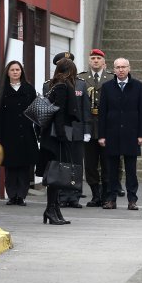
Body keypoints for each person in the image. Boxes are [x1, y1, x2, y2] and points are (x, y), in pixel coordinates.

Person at [98, 58, 142, 210]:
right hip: (112, 133)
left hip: (131, 134)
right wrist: (101, 135)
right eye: (118, 67)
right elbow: (102, 113)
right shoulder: (107, 87)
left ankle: (132, 199)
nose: (121, 70)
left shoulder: (138, 86)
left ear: (129, 68)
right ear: (113, 69)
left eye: (123, 67)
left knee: (131, 170)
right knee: (111, 170)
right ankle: (111, 199)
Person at [36, 57, 80, 225]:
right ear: (70, 71)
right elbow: (59, 112)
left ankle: (53, 209)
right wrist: (62, 136)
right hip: (56, 137)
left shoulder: (55, 84)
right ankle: (51, 209)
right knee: (56, 174)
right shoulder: (63, 86)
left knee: (55, 174)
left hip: (51, 135)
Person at [44, 52, 91, 210]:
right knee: (61, 164)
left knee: (76, 164)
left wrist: (87, 129)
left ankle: (74, 196)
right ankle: (62, 196)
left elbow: (85, 109)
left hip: (76, 130)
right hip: (58, 131)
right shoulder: (50, 84)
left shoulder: (81, 84)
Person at [0, 60, 38, 206]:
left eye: (17, 70)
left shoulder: (29, 89)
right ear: (7, 72)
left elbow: (36, 112)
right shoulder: (2, 90)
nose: (15, 72)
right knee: (10, 166)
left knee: (24, 166)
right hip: (8, 133)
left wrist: (38, 133)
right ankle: (12, 196)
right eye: (12, 70)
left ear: (21, 72)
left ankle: (21, 196)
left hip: (26, 133)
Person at [78, 49, 112, 206]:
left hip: (106, 127)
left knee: (107, 163)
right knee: (90, 164)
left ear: (104, 61)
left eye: (98, 58)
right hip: (88, 127)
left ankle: (106, 195)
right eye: (93, 58)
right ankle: (95, 194)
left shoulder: (110, 78)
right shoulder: (81, 78)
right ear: (89, 61)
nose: (96, 61)